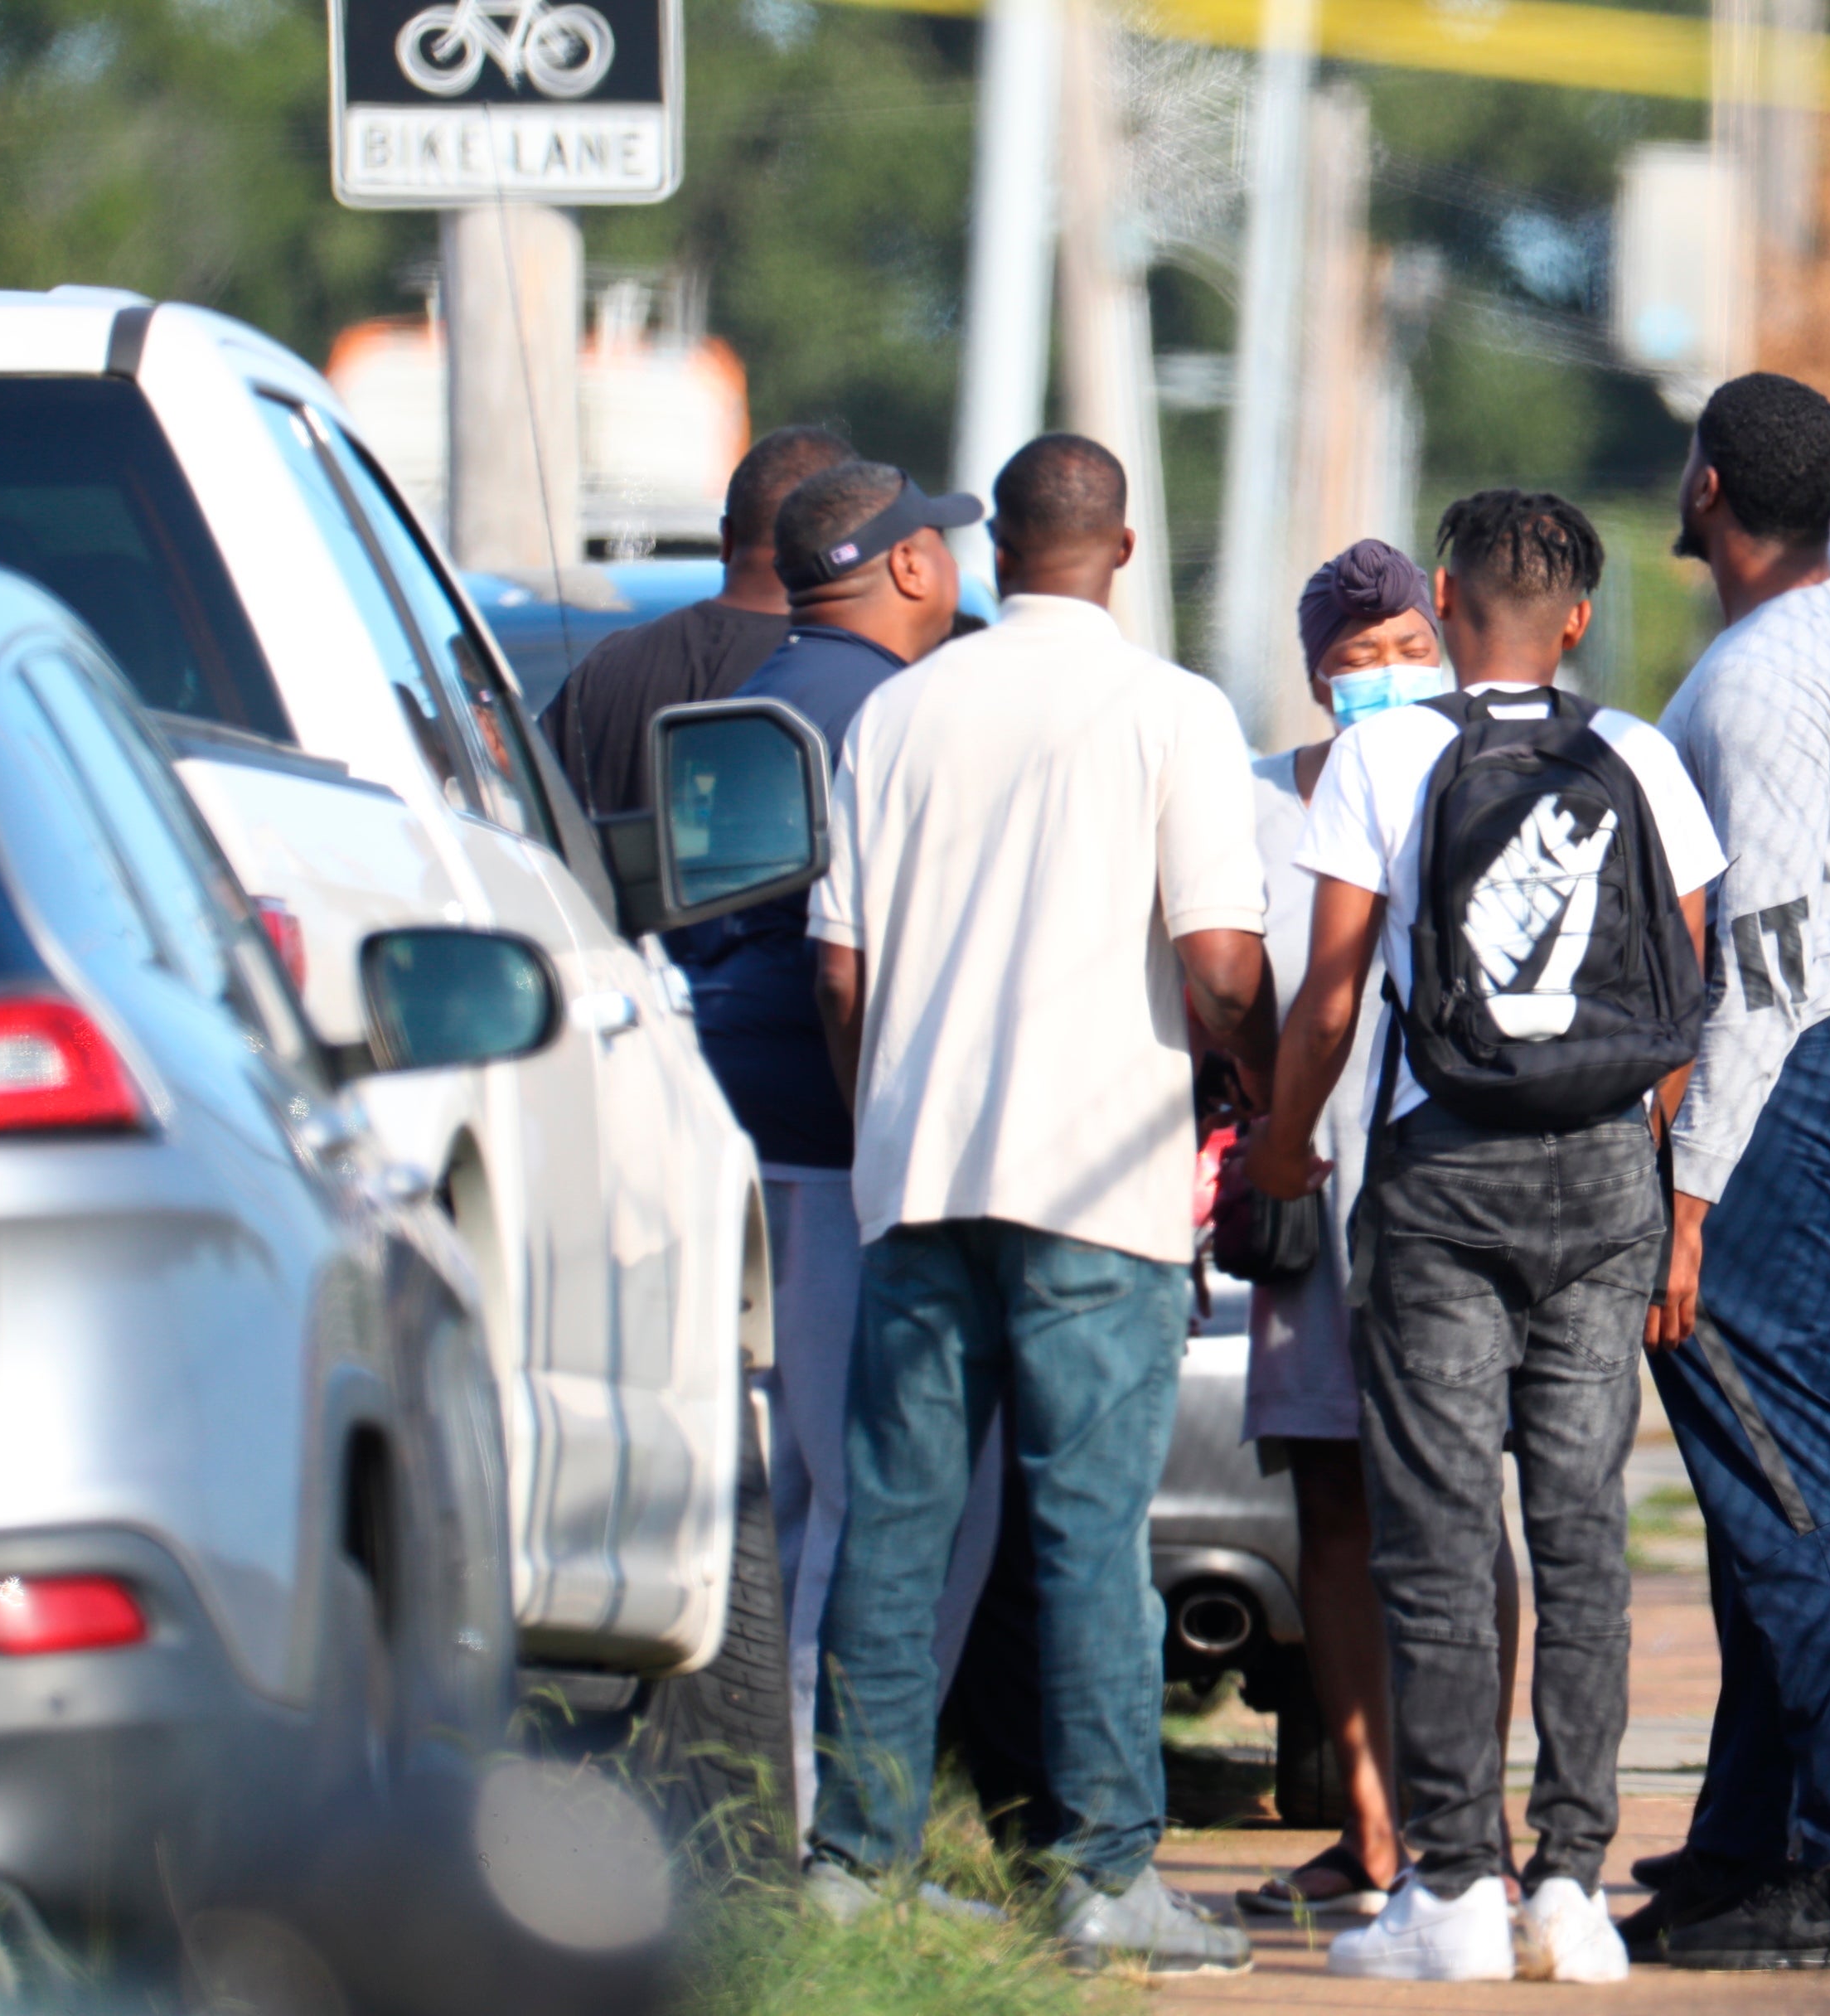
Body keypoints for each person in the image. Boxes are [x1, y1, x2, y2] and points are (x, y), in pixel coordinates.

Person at [801, 433, 1268, 1977]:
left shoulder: (899, 712)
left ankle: (852, 1861)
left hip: (922, 1176)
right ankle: (1100, 1872)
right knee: (1085, 1531)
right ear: (1121, 549)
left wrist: (887, 1118)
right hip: (1096, 1185)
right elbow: (1216, 964)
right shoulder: (1170, 712)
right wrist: (1260, 1091)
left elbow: (840, 972)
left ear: (996, 548)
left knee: (895, 1524)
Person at [1247, 492, 1724, 1984]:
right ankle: (1569, 1886)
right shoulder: (1637, 753)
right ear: (1575, 616)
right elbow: (1686, 987)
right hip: (1598, 1176)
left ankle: (1449, 1887)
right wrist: (1636, 1153)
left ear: (1445, 600)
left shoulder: (1381, 755)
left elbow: (1330, 989)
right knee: (1579, 1525)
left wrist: (1279, 1144)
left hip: (1436, 1175)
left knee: (1437, 1527)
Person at [1631, 373, 1830, 1970]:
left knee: (1783, 1460)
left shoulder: (1755, 674)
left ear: (1706, 488)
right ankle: (1747, 1837)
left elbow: (1753, 952)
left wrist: (1689, 1185)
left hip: (1803, 1060)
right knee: (1801, 1459)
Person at [674, 458, 995, 1828]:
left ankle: (790, 1816)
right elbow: (852, 968)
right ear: (908, 565)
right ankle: (837, 1828)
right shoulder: (896, 714)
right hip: (839, 1141)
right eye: (942, 542)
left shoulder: (754, 698)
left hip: (721, 1122)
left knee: (788, 1495)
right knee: (880, 1495)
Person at [1227, 540, 1524, 1926]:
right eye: (1354, 665)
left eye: (1407, 649)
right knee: (1334, 1510)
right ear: (1314, 681)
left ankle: (1475, 1809)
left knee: (1470, 1505)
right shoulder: (1256, 808)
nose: (1385, 680)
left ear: (1449, 640)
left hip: (1462, 1194)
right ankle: (1369, 1825)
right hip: (1315, 1200)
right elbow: (1226, 977)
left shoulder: (1507, 781)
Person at [538, 424, 852, 814]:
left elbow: (541, 817)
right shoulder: (849, 679)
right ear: (844, 550)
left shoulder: (605, 668)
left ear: (727, 538)